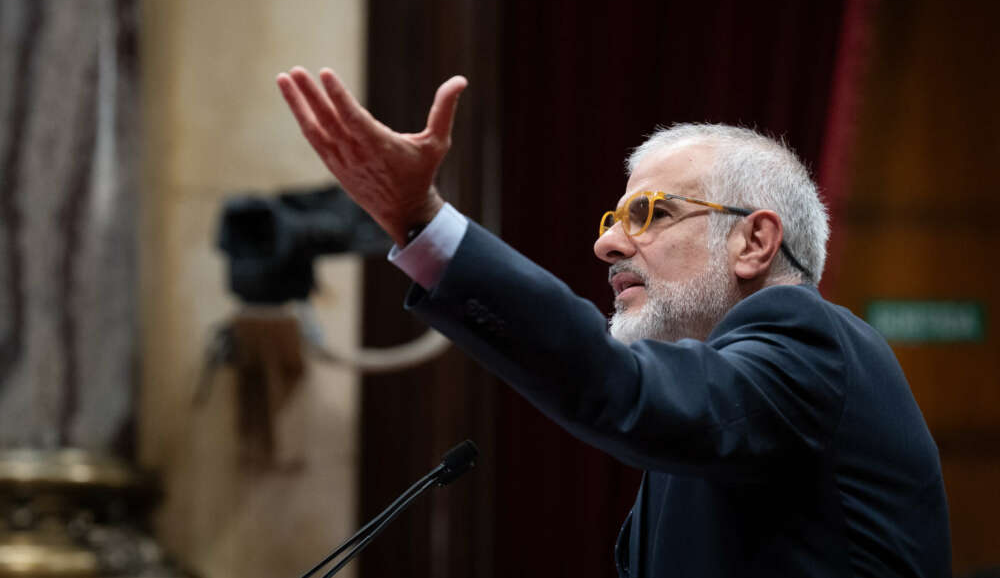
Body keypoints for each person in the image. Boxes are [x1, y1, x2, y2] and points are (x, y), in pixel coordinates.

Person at [276, 68, 952, 577]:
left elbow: (622, 389)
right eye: (613, 219)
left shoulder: (808, 346)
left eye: (651, 213)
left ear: (754, 241)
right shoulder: (713, 416)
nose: (607, 244)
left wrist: (427, 224)